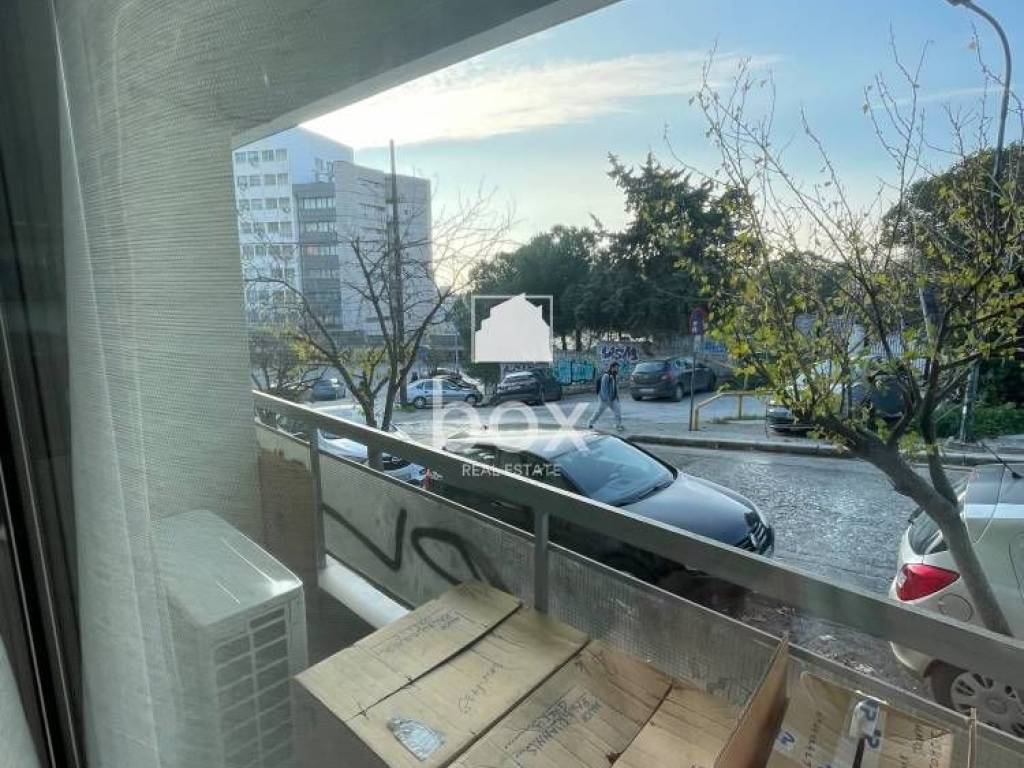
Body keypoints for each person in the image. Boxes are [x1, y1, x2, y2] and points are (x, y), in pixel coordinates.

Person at [588, 362, 623, 431]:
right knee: (599, 412)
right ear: (612, 367)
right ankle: (590, 423)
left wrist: (617, 397)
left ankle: (618, 425)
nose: (617, 369)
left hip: (613, 398)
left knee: (618, 411)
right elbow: (603, 388)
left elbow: (615, 388)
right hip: (604, 399)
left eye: (618, 368)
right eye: (616, 368)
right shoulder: (606, 376)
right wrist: (606, 399)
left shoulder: (615, 376)